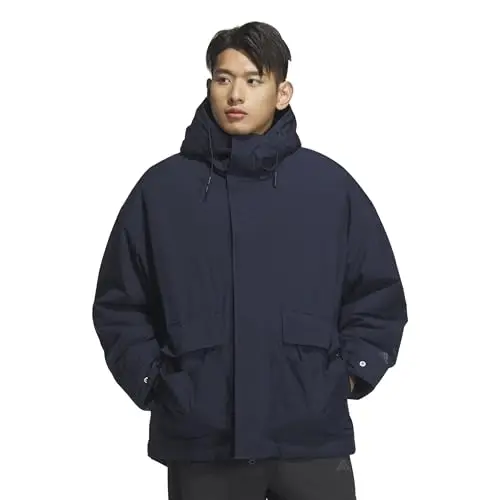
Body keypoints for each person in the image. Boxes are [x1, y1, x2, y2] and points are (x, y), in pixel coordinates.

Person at [92, 20, 408, 500]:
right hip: (202, 440)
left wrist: (347, 376)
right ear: (209, 86)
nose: (235, 94)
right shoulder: (162, 191)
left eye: (253, 80)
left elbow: (377, 295)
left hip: (308, 438)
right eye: (223, 79)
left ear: (282, 93)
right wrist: (156, 383)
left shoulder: (328, 188)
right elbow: (119, 302)